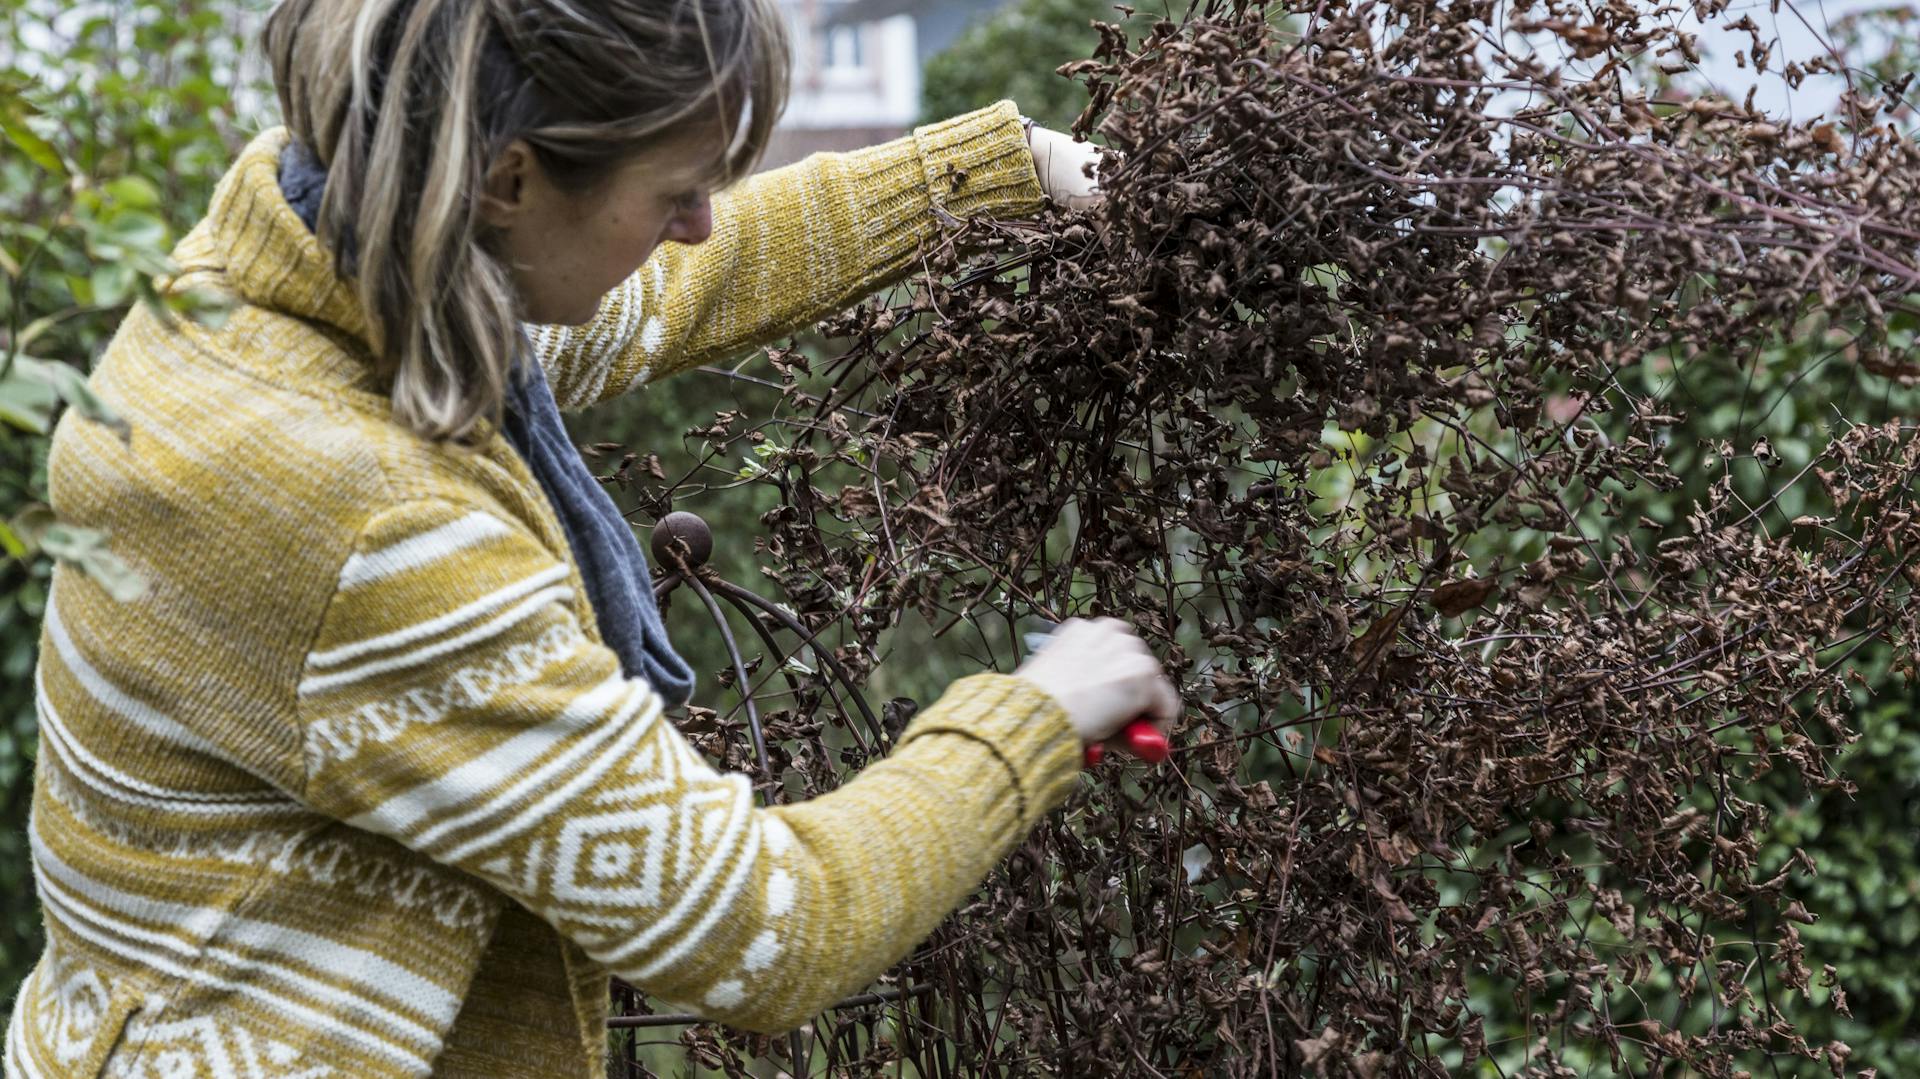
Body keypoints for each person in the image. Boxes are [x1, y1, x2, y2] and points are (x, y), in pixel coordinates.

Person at [2, 0, 1180, 1075]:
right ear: (510, 178)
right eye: (673, 192)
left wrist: (995, 174)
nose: (698, 220)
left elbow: (674, 293)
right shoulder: (376, 525)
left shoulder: (275, 286)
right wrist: (1039, 710)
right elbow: (768, 929)